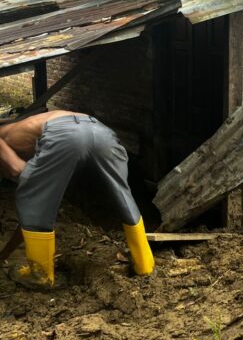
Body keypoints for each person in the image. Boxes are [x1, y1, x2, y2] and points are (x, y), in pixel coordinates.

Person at [0, 111, 154, 288]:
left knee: (31, 197)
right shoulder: (24, 134)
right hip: (100, 131)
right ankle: (144, 263)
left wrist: (33, 188)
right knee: (122, 195)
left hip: (64, 134)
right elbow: (35, 208)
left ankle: (40, 276)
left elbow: (18, 173)